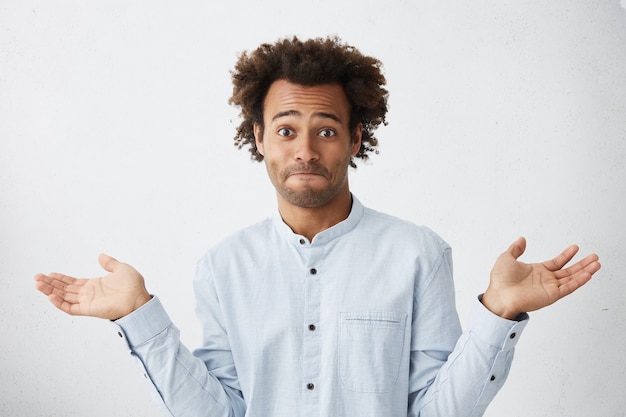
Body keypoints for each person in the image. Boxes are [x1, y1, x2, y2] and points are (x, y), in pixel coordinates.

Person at [34, 36, 601, 417]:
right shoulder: (221, 266)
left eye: (326, 130)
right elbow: (220, 411)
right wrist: (141, 317)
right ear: (258, 138)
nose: (305, 149)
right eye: (285, 130)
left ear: (356, 139)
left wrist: (497, 312)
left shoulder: (418, 254)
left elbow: (435, 411)